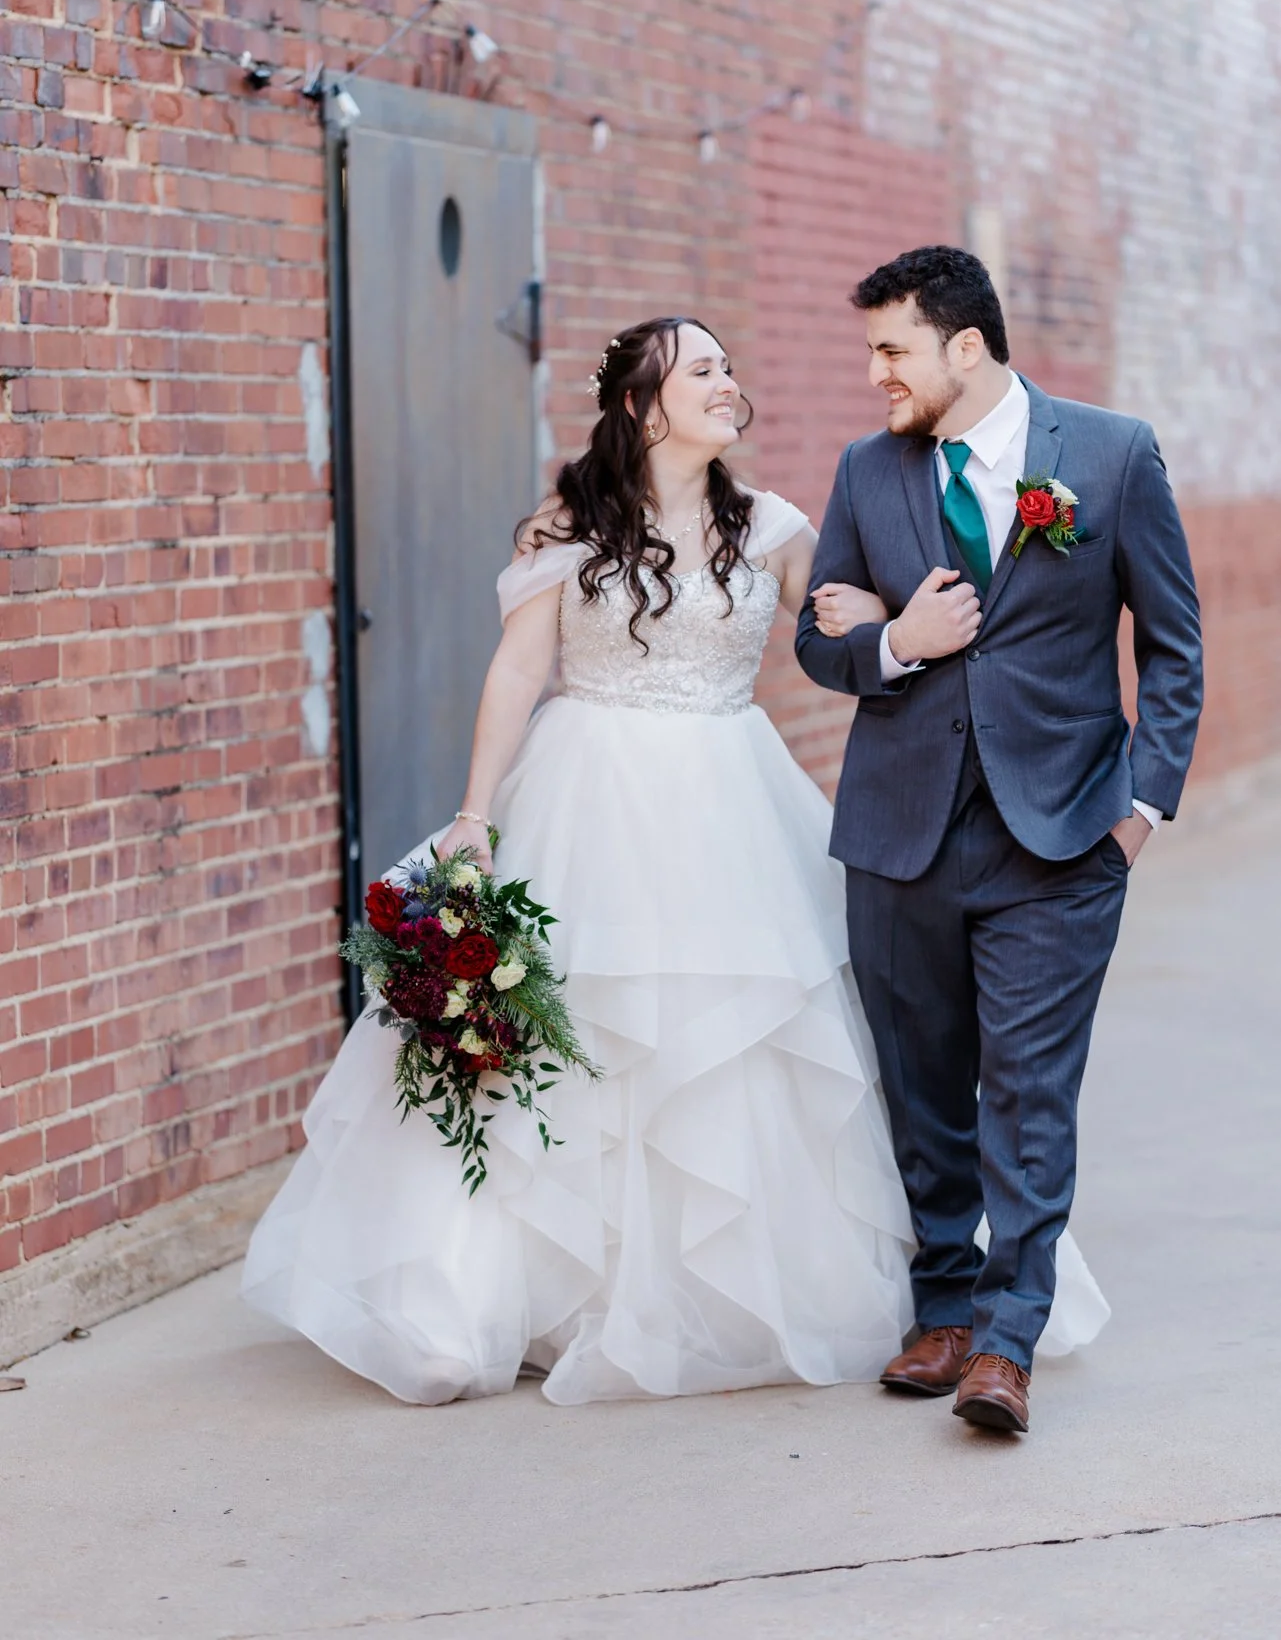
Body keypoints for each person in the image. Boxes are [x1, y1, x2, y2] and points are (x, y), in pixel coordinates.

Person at [242, 312, 1105, 1405]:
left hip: (731, 801)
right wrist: (472, 814)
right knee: (571, 1040)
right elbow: (519, 673)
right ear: (645, 403)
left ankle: (794, 1292)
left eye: (730, 367)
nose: (727, 383)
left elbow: (838, 642)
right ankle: (529, 1293)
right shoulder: (570, 522)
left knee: (760, 1041)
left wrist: (888, 618)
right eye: (703, 370)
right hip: (586, 790)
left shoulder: (780, 525)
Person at [798, 246, 1202, 1434]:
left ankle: (1009, 1337)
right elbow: (824, 644)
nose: (876, 374)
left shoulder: (1113, 456)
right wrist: (896, 643)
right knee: (924, 1088)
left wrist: (1142, 807)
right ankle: (942, 1309)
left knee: (1028, 1090)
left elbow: (1172, 644)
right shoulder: (867, 471)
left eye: (892, 350)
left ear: (963, 348)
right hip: (900, 833)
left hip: (1063, 832)